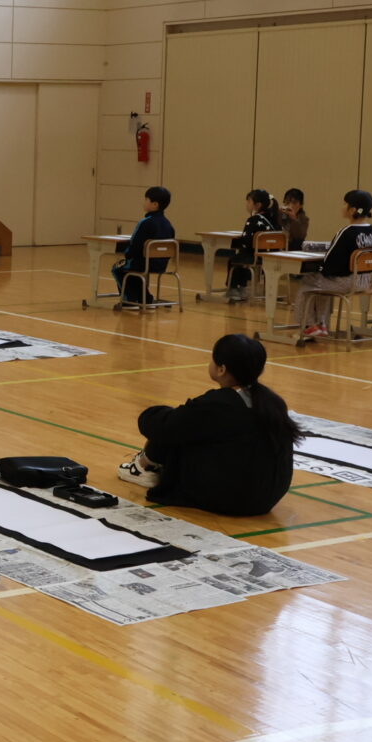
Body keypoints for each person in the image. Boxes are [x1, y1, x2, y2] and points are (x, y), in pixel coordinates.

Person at [115, 334, 300, 516]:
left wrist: (158, 413)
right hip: (268, 497)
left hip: (233, 499)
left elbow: (160, 425)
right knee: (184, 422)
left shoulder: (218, 405)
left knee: (177, 427)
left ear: (221, 369)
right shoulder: (273, 402)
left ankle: (144, 466)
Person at [290, 189, 372, 341]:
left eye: (344, 204)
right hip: (365, 281)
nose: (342, 207)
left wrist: (318, 268)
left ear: (352, 210)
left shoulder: (346, 232)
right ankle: (322, 325)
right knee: (320, 282)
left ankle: (310, 325)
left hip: (346, 282)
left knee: (308, 283)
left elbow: (330, 262)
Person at [113, 186, 175, 305]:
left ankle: (129, 300)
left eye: (146, 199)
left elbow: (134, 245)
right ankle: (145, 297)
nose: (144, 202)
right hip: (162, 264)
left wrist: (127, 255)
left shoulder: (145, 223)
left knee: (119, 268)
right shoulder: (169, 225)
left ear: (154, 204)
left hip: (143, 263)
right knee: (134, 266)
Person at [224, 189, 283, 303]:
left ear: (258, 205)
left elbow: (246, 241)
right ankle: (242, 288)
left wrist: (237, 242)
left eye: (249, 202)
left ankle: (235, 288)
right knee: (242, 256)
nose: (247, 204)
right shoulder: (275, 220)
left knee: (235, 259)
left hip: (256, 256)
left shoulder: (253, 220)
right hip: (271, 256)